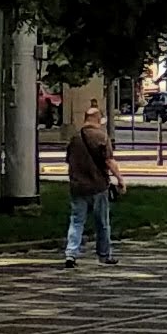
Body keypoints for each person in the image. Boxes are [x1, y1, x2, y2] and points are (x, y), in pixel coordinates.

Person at [62, 111, 122, 267]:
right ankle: (104, 255)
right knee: (102, 222)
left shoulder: (75, 138)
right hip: (98, 186)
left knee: (76, 221)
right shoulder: (101, 137)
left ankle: (71, 254)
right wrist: (120, 179)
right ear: (97, 119)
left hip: (78, 186)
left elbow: (69, 160)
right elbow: (109, 161)